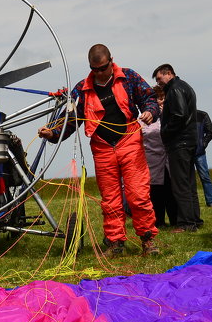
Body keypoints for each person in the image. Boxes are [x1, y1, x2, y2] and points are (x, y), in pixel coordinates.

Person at [39, 44, 160, 257]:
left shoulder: (129, 77)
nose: (99, 73)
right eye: (94, 70)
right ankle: (115, 243)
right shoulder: (81, 89)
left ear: (111, 61)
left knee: (138, 195)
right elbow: (70, 119)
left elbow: (149, 98)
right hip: (102, 148)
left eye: (103, 68)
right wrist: (53, 133)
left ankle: (148, 240)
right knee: (110, 199)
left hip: (129, 141)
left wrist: (150, 112)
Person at [152, 63, 201, 232]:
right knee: (188, 183)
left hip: (179, 142)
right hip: (189, 140)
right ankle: (194, 219)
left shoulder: (175, 89)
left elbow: (179, 115)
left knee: (180, 184)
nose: (159, 83)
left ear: (169, 73)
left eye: (160, 78)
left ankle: (186, 223)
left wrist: (165, 131)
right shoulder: (184, 86)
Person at [142, 85, 177, 228]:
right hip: (152, 160)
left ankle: (175, 220)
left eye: (163, 98)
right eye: (158, 99)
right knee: (156, 193)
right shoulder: (145, 117)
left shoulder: (172, 115)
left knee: (171, 191)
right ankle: (158, 221)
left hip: (169, 160)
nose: (161, 102)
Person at [195, 110, 212, 208]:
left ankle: (211, 201)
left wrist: (203, 144)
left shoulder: (202, 115)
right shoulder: (181, 115)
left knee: (205, 177)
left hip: (200, 153)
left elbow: (210, 131)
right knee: (187, 180)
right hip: (185, 154)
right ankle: (192, 203)